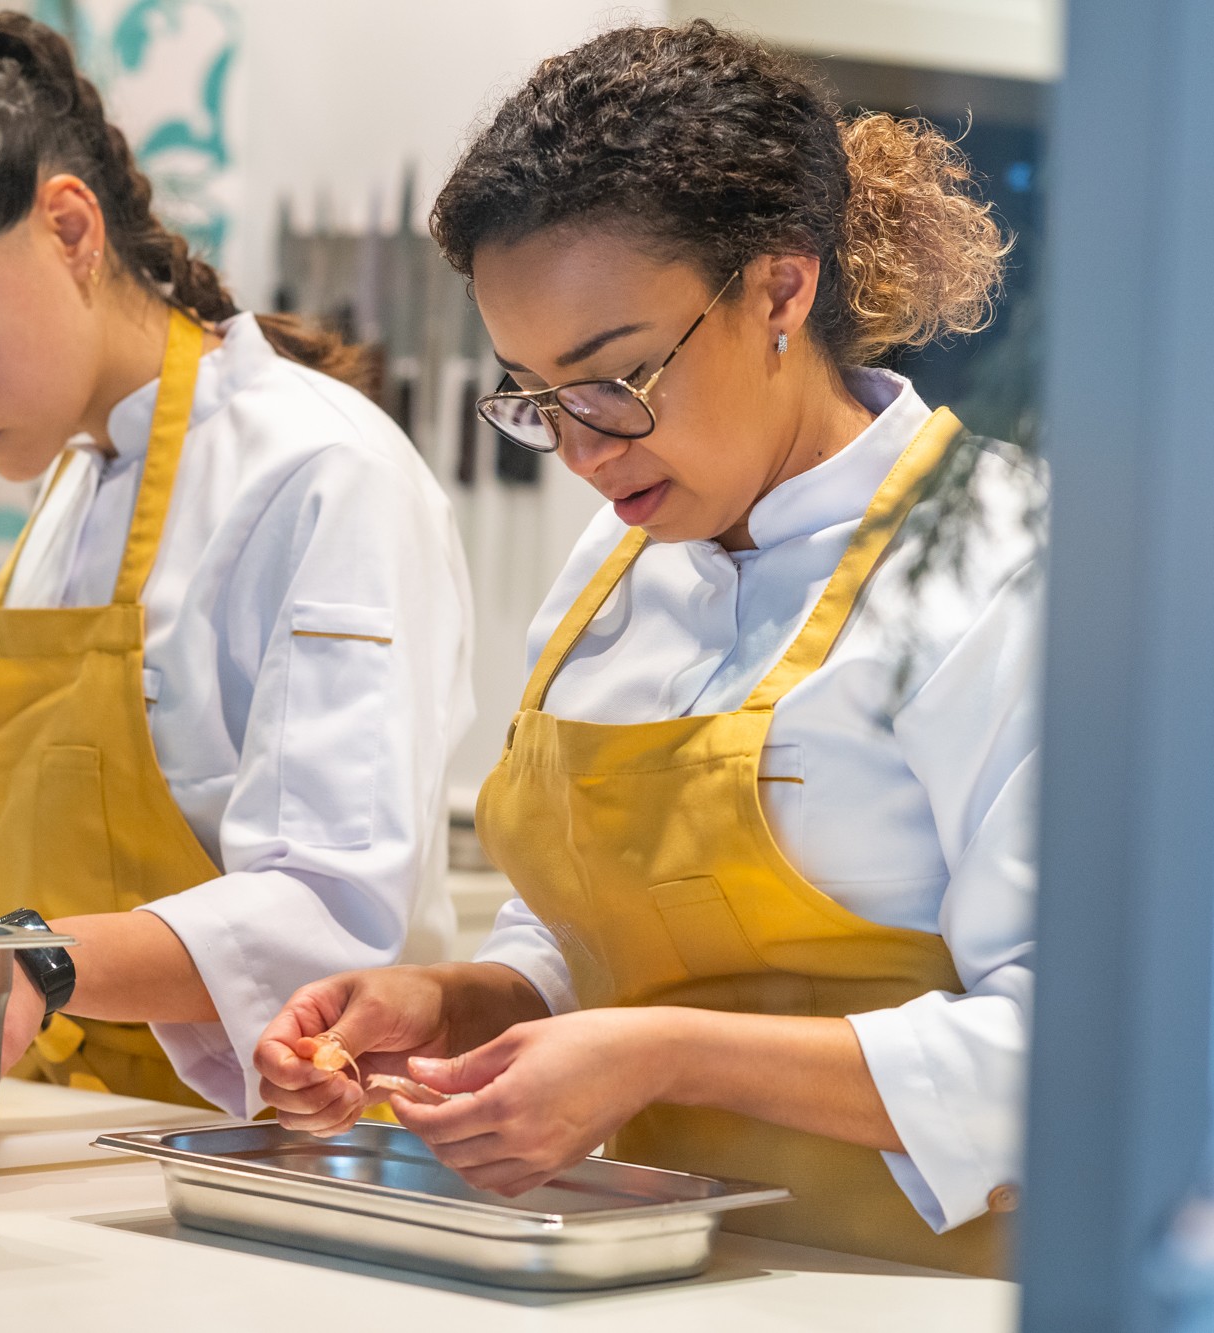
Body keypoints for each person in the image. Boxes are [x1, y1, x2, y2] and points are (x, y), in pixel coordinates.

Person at [254, 22, 1036, 1276]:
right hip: (625, 1272)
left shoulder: (998, 568)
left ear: (780, 289)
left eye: (614, 376)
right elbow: (585, 930)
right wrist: (464, 1005)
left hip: (905, 1291)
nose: (578, 446)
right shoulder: (611, 565)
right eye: (529, 394)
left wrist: (661, 1050)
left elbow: (1069, 1057)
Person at [0, 12, 472, 1114]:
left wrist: (37, 957)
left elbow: (334, 908)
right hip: (81, 1131)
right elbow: (159, 777)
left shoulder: (322, 474)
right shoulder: (71, 485)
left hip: (272, 1142)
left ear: (67, 228)